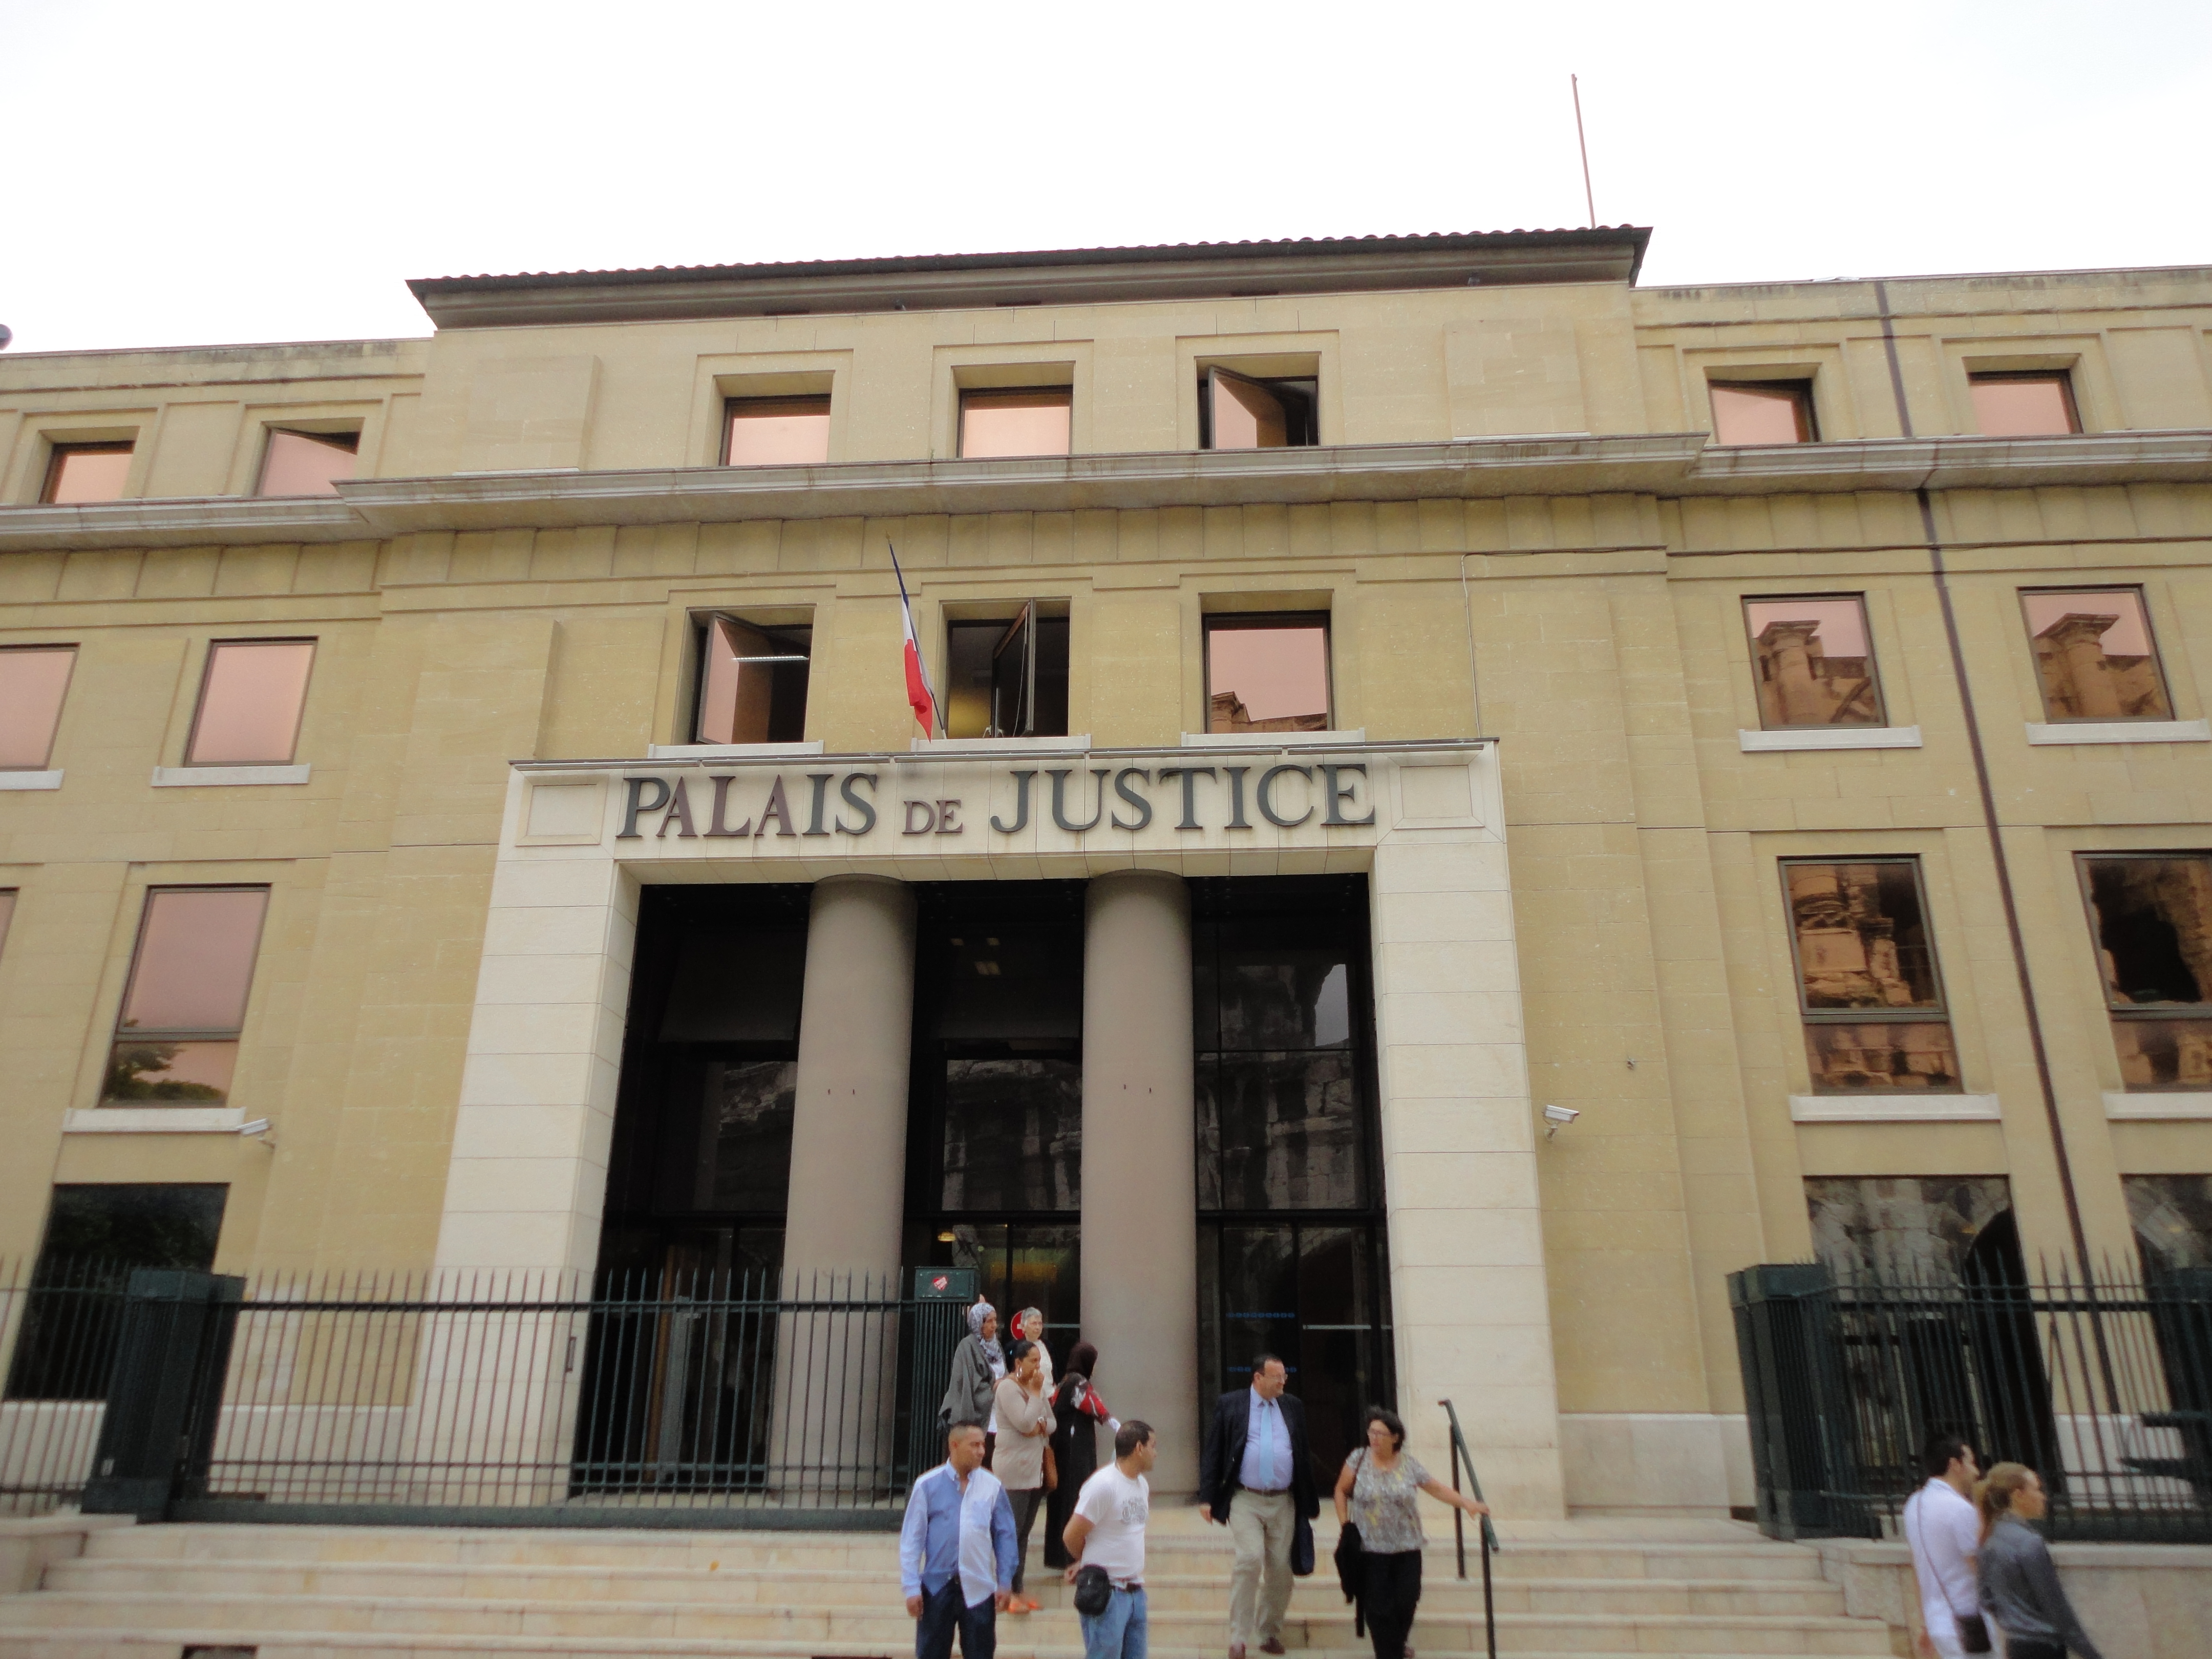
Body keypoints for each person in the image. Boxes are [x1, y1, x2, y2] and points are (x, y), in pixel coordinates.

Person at [1332, 1406, 1488, 1659]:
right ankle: (1390, 1653)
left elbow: (1437, 1489)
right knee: (1378, 1609)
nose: (1374, 1438)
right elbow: (1340, 1490)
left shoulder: (1408, 1465)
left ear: (1396, 1437)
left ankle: (1396, 1644)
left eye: (1381, 1434)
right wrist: (1345, 1525)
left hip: (1407, 1548)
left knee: (1407, 1601)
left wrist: (1467, 1503)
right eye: (1372, 1432)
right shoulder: (1357, 1459)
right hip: (1370, 1550)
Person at [1197, 1354, 1317, 1659]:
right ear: (1258, 1378)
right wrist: (1207, 1497)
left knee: (1281, 1570)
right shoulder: (1232, 1404)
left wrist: (1307, 1499)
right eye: (1277, 1377)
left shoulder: (1293, 1406)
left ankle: (1269, 1631)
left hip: (1283, 1500)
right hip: (1245, 1498)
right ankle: (1238, 1638)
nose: (1283, 1382)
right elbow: (1214, 1451)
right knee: (1249, 1559)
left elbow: (1302, 1452)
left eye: (1284, 1376)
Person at [901, 1419, 1018, 1659]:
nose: (981, 1452)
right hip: (937, 1588)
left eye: (983, 1445)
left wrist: (1005, 1581)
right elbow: (912, 1540)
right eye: (974, 1445)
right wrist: (911, 1586)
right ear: (954, 1446)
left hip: (979, 1588)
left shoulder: (992, 1487)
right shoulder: (927, 1486)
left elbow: (1005, 1536)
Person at [1975, 1463, 2103, 1659]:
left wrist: (2015, 1618)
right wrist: (2091, 1653)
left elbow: (1986, 1598)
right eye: (2037, 1490)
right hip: (2044, 1646)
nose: (2043, 1496)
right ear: (2018, 1495)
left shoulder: (1990, 1538)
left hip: (2016, 1644)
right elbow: (2056, 1607)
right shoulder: (2029, 1542)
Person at [1064, 1419, 1156, 1659]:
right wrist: (1088, 1561)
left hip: (1135, 1592)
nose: (1156, 1454)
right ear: (1139, 1448)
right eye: (1153, 1446)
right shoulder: (1103, 1485)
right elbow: (1072, 1535)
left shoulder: (1142, 1485)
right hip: (1108, 1595)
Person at [1903, 1433, 1984, 1659]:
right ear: (1954, 1464)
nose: (1976, 1471)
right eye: (1970, 1462)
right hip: (1969, 1621)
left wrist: (1925, 1624)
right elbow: (1977, 1565)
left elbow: (1918, 1567)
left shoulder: (1913, 1505)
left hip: (1937, 1620)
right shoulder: (1960, 1509)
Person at [992, 1337, 1056, 1613]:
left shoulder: (1036, 1389)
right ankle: (1005, 1589)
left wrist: (1040, 1422)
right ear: (1018, 1363)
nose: (1037, 1366)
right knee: (1012, 1531)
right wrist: (1035, 1405)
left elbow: (1050, 1423)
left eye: (1039, 1361)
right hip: (1014, 1469)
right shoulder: (1008, 1388)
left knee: (1025, 1532)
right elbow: (1024, 1422)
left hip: (1034, 1469)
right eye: (1033, 1361)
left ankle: (1017, 1587)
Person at [1047, 1341, 1116, 1570]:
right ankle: (1072, 1556)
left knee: (1064, 1497)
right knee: (1077, 1493)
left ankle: (1057, 1554)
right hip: (1075, 1448)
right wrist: (1117, 1426)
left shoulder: (1065, 1381)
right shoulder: (1078, 1382)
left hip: (1063, 1445)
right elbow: (1095, 1407)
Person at [941, 1300, 1005, 1443]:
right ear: (978, 1323)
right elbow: (966, 1383)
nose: (994, 1325)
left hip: (1000, 1418)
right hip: (980, 1422)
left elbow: (1003, 1373)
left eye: (995, 1320)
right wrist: (994, 1388)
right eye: (989, 1321)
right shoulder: (967, 1347)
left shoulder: (997, 1346)